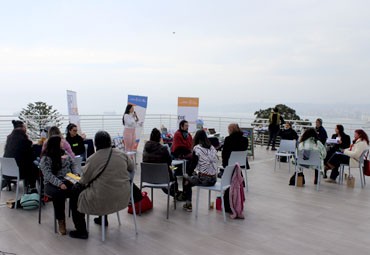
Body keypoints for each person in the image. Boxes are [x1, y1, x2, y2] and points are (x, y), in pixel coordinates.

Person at [77, 131, 134, 235]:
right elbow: (131, 167)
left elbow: (84, 180)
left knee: (76, 194)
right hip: (124, 196)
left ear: (96, 144)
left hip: (103, 199)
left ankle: (81, 230)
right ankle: (102, 219)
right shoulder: (121, 154)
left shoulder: (93, 159)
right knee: (103, 184)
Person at [40, 136, 84, 237]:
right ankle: (61, 221)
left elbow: (73, 164)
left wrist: (76, 174)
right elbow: (48, 175)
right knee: (58, 194)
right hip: (51, 184)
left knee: (78, 189)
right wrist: (59, 183)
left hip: (67, 178)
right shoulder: (46, 158)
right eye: (60, 142)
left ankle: (79, 224)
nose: (62, 143)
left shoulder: (64, 152)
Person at [143, 128, 184, 200]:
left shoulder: (145, 149)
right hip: (163, 179)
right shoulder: (163, 149)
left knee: (169, 170)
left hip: (148, 179)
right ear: (159, 138)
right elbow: (169, 161)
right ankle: (176, 194)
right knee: (173, 171)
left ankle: (176, 193)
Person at [183, 130, 217, 212]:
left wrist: (188, 175)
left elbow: (193, 165)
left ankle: (188, 204)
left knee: (185, 177)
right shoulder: (212, 147)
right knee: (190, 177)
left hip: (204, 180)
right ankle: (187, 202)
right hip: (214, 179)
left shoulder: (197, 148)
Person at [2, 121, 38, 190]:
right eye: (25, 127)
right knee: (36, 167)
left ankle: (8, 183)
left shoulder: (9, 139)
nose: (26, 129)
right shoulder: (24, 140)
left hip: (6, 172)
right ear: (22, 128)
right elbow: (31, 157)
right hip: (18, 172)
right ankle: (32, 188)